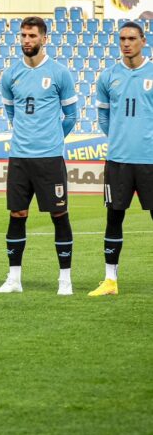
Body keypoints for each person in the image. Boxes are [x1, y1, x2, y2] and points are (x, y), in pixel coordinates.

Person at [0, 16, 78, 295]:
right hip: (19, 157)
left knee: (59, 213)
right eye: (23, 36)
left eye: (32, 36)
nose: (27, 41)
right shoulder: (10, 75)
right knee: (17, 214)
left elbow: (71, 115)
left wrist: (53, 138)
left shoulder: (59, 73)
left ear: (44, 39)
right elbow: (11, 113)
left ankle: (64, 280)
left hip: (50, 158)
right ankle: (14, 279)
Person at [90, 21, 153, 296]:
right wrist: (117, 137)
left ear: (143, 41)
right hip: (118, 160)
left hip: (150, 160)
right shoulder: (108, 76)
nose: (126, 43)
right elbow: (103, 116)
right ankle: (110, 281)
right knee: (114, 217)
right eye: (122, 39)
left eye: (131, 38)